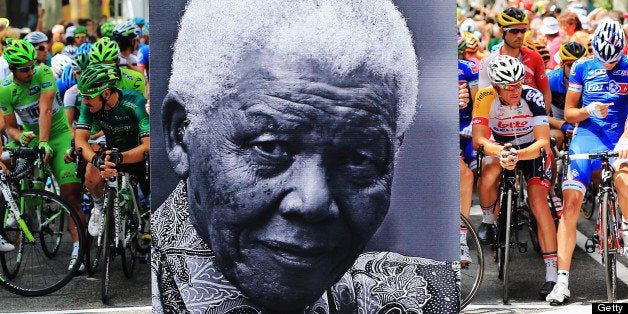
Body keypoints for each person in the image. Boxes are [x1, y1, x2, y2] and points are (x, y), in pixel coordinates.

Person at [152, 0, 458, 313]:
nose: (313, 201)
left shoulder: (428, 296)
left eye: (358, 159)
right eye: (270, 148)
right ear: (181, 134)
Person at [546, 18, 628, 306]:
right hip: (588, 137)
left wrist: (625, 141)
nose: (608, 65)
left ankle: (626, 228)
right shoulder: (582, 67)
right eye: (603, 60)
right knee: (570, 205)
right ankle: (562, 281)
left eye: (613, 60)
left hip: (618, 137)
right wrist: (587, 110)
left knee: (624, 181)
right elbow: (568, 114)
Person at [472, 55, 558, 299]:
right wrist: (502, 152)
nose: (515, 90)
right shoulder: (484, 96)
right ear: (496, 86)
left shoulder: (532, 96)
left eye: (518, 84)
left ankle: (552, 274)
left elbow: (543, 142)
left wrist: (517, 155)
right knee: (489, 172)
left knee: (539, 203)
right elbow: (479, 139)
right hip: (500, 145)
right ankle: (489, 220)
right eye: (509, 87)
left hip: (530, 149)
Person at [0, 39, 84, 270]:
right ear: (13, 69)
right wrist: (21, 138)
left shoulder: (44, 72)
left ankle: (79, 248)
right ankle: (20, 206)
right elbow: (11, 128)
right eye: (24, 68)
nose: (30, 71)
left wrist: (45, 142)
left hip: (57, 135)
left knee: (71, 196)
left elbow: (46, 109)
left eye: (32, 65)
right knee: (11, 171)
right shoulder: (5, 89)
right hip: (31, 137)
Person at [476, 7, 557, 243]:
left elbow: (545, 93)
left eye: (523, 30)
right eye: (514, 31)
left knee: (549, 149)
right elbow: (484, 96)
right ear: (502, 31)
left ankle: (546, 196)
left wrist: (545, 120)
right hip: (499, 126)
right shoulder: (488, 62)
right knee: (490, 173)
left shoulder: (533, 58)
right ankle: (488, 220)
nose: (520, 35)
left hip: (531, 121)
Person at [74, 63, 149, 238]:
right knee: (91, 170)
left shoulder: (135, 102)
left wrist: (120, 158)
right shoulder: (89, 105)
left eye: (88, 97)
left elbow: (148, 145)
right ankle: (98, 207)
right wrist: (96, 160)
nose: (84, 101)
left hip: (135, 156)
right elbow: (80, 140)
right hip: (111, 154)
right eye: (82, 96)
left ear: (106, 93)